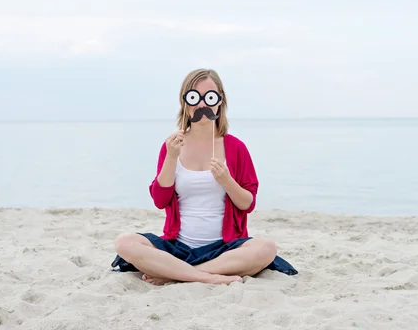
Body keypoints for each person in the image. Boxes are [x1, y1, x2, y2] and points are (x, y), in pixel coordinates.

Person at [111, 68, 297, 285]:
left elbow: (248, 204)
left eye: (209, 97)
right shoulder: (172, 146)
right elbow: (160, 200)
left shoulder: (236, 148)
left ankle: (177, 274)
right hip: (177, 247)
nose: (201, 105)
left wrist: (227, 180)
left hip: (225, 249)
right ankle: (204, 277)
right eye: (194, 97)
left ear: (220, 101)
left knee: (266, 248)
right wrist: (171, 157)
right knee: (125, 242)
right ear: (185, 102)